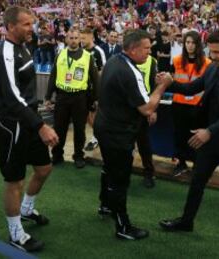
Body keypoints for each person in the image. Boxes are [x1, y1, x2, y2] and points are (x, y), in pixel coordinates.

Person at [157, 29, 219, 258]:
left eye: (218, 52)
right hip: (209, 138)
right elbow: (192, 88)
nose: (213, 56)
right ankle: (186, 221)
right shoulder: (212, 67)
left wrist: (209, 132)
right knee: (197, 182)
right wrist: (170, 82)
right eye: (210, 51)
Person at [0, 6, 59, 252]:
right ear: (10, 27)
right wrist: (41, 126)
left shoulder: (25, 46)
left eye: (32, 23)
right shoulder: (4, 54)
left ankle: (27, 209)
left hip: (29, 119)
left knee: (44, 168)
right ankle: (15, 233)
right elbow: (11, 97)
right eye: (27, 24)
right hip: (13, 125)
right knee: (14, 181)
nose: (32, 28)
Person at [93, 29, 168, 240]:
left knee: (109, 168)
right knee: (120, 179)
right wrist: (162, 87)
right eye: (146, 49)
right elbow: (147, 109)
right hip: (117, 132)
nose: (149, 53)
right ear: (133, 49)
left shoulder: (114, 60)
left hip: (105, 126)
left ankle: (105, 205)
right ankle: (123, 226)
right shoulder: (128, 70)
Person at [45, 28, 98, 168]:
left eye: (76, 38)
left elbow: (95, 79)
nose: (73, 40)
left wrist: (96, 98)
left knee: (79, 129)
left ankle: (78, 156)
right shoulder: (60, 55)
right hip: (62, 97)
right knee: (59, 128)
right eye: (71, 38)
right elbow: (53, 76)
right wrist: (47, 97)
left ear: (80, 39)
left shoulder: (88, 56)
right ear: (66, 39)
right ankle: (57, 155)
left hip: (80, 98)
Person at [171, 30, 211, 176]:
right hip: (179, 104)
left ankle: (197, 164)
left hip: (197, 106)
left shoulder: (207, 63)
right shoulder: (176, 60)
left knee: (195, 137)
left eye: (193, 42)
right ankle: (181, 163)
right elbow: (171, 80)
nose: (190, 45)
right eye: (187, 42)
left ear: (198, 44)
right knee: (179, 135)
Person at [80, 28, 106, 152]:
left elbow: (103, 70)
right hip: (83, 88)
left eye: (83, 38)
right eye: (81, 38)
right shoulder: (81, 51)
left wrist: (98, 90)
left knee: (94, 114)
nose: (81, 40)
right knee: (86, 116)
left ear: (91, 37)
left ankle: (96, 138)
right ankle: (99, 134)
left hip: (94, 89)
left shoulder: (98, 51)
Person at [136, 54, 158, 188]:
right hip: (125, 107)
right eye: (145, 47)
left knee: (143, 142)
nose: (148, 50)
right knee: (123, 142)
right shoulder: (120, 59)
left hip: (143, 106)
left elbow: (155, 86)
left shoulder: (152, 61)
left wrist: (153, 109)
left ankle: (148, 173)